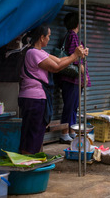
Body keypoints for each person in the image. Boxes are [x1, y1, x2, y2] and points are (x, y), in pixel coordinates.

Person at [18, 24, 88, 154]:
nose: (50, 39)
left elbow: (59, 60)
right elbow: (56, 67)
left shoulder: (40, 52)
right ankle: (28, 160)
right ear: (41, 37)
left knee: (35, 131)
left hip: (36, 98)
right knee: (33, 132)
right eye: (48, 36)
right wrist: (74, 56)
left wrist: (77, 55)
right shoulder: (33, 53)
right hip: (34, 98)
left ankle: (31, 157)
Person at [59, 13, 91, 144]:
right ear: (77, 24)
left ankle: (71, 130)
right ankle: (64, 133)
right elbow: (75, 58)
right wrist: (85, 75)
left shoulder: (72, 36)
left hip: (74, 79)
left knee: (73, 106)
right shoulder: (72, 36)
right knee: (70, 105)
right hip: (72, 79)